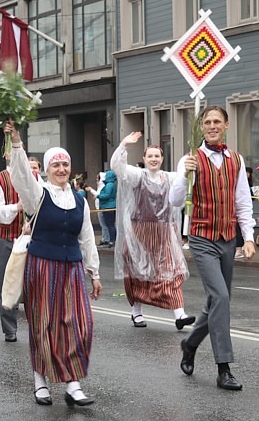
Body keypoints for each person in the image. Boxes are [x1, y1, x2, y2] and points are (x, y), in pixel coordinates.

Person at [6, 122, 102, 407]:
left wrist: (94, 273)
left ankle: (73, 383)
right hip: (42, 266)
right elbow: (21, 176)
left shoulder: (80, 199)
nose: (60, 169)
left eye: (64, 164)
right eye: (55, 165)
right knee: (43, 323)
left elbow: (87, 238)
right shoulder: (38, 195)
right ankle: (40, 380)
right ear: (47, 169)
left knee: (79, 324)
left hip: (71, 267)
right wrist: (16, 142)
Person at [170, 105, 255, 391]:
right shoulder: (190, 159)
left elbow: (242, 200)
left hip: (228, 238)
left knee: (217, 301)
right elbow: (175, 201)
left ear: (226, 125)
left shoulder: (236, 160)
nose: (212, 125)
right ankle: (224, 367)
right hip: (202, 236)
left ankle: (190, 343)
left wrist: (250, 236)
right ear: (202, 127)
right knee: (220, 297)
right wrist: (185, 176)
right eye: (207, 121)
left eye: (217, 121)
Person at [111, 132, 194, 330]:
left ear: (162, 159)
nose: (154, 159)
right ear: (144, 159)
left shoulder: (170, 178)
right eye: (150, 156)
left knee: (170, 271)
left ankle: (179, 313)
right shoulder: (137, 176)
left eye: (157, 156)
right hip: (140, 232)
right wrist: (123, 144)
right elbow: (117, 166)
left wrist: (190, 164)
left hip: (164, 232)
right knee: (137, 272)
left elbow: (185, 179)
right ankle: (136, 311)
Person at [0, 154, 32, 343]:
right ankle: (9, 329)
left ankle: (38, 325)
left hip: (31, 239)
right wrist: (17, 207)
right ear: (7, 155)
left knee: (34, 284)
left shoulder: (32, 177)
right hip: (8, 238)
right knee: (7, 285)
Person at [85, 173, 110, 246]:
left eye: (97, 177)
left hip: (101, 207)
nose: (96, 179)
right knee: (103, 224)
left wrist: (91, 190)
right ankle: (105, 238)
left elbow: (98, 195)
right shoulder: (101, 186)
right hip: (99, 207)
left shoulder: (102, 186)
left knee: (104, 224)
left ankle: (106, 239)